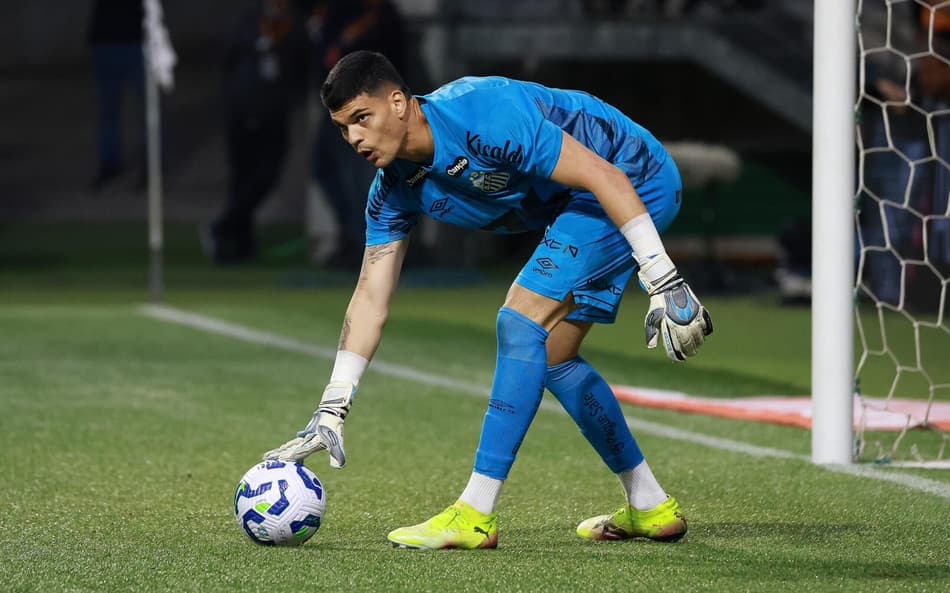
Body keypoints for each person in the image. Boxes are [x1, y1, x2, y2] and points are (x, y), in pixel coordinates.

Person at [264, 51, 713, 549]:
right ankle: (650, 505)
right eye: (344, 128)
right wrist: (333, 405)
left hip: (631, 177)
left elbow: (604, 177)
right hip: (581, 203)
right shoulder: (393, 189)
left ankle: (475, 513)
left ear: (398, 102)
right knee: (553, 354)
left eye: (361, 119)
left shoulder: (480, 112)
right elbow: (370, 294)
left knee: (519, 322)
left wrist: (663, 278)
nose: (354, 139)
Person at [204, 0, 308, 263]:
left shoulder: (294, 25)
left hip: (274, 111)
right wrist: (234, 98)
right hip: (244, 109)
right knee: (243, 177)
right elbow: (230, 59)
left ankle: (225, 226)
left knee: (267, 174)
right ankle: (239, 240)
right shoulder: (251, 21)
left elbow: (298, 65)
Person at [87, 0, 146, 190]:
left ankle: (151, 166)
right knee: (107, 110)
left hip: (135, 40)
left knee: (148, 110)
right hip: (105, 40)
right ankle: (110, 161)